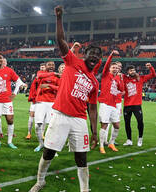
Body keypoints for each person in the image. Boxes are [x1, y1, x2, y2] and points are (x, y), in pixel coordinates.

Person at [29, 6, 101, 192]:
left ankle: (84, 189)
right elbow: (61, 40)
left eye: (97, 55)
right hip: (60, 115)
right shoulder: (72, 61)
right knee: (49, 152)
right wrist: (59, 18)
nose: (94, 56)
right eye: (91, 53)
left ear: (99, 60)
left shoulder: (94, 81)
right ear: (85, 55)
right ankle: (40, 181)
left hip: (79, 120)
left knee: (81, 157)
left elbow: (92, 108)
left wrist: (95, 131)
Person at [122, 63, 156, 147]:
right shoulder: (124, 78)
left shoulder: (141, 78)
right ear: (128, 72)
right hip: (127, 105)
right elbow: (117, 73)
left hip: (137, 105)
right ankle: (129, 139)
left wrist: (151, 67)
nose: (133, 71)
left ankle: (140, 138)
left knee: (140, 121)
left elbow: (153, 74)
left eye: (134, 70)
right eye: (131, 70)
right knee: (127, 123)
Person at [98, 50, 123, 154]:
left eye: (117, 68)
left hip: (113, 105)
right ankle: (101, 145)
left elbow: (121, 89)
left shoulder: (117, 78)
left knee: (117, 125)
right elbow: (107, 63)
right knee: (104, 125)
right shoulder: (105, 75)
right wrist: (111, 55)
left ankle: (111, 143)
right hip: (105, 104)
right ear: (109, 68)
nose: (115, 69)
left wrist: (120, 79)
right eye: (113, 67)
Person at [33, 61, 60, 152]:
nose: (51, 66)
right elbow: (39, 77)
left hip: (52, 103)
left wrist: (49, 85)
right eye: (49, 65)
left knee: (51, 126)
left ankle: (49, 147)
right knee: (37, 125)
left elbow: (60, 88)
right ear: (46, 66)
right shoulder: (41, 73)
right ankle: (41, 144)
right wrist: (54, 73)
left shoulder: (57, 77)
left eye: (53, 65)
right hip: (40, 102)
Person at [26, 63, 46, 139]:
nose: (42, 68)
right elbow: (32, 87)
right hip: (35, 99)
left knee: (43, 117)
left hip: (44, 99)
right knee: (32, 115)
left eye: (43, 67)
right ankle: (29, 133)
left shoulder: (48, 76)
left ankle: (42, 134)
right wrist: (32, 97)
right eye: (41, 67)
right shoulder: (36, 76)